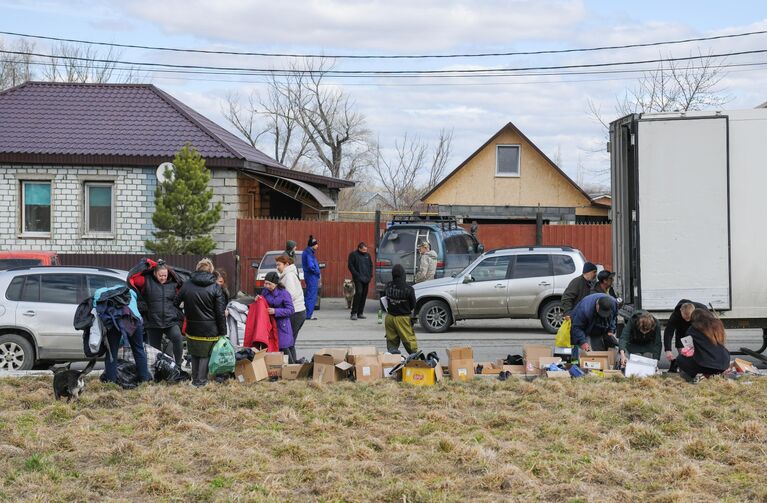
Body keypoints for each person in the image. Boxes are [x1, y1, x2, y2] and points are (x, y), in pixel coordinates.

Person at [175, 258, 227, 387]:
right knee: (205, 354)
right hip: (210, 328)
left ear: (197, 268)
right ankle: (201, 381)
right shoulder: (215, 287)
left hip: (192, 327)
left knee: (194, 354)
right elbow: (220, 312)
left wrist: (184, 314)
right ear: (211, 270)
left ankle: (195, 381)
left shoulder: (187, 285)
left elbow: (175, 303)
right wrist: (223, 331)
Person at [141, 263, 184, 366]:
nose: (163, 278)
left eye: (165, 275)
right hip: (153, 321)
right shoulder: (147, 281)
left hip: (170, 320)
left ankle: (178, 366)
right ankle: (158, 369)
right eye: (161, 275)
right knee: (155, 349)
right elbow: (132, 277)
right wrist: (150, 263)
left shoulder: (173, 283)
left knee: (177, 338)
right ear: (155, 273)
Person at [676, 308, 730, 380]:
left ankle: (690, 378)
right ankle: (713, 376)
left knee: (680, 359)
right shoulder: (718, 324)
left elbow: (690, 349)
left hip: (705, 366)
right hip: (724, 363)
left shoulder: (692, 329)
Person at [570, 293, 618, 359]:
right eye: (602, 312)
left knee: (599, 349)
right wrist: (583, 342)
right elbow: (577, 327)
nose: (603, 315)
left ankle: (600, 363)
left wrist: (611, 330)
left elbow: (613, 318)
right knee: (577, 343)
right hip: (580, 323)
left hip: (597, 326)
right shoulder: (584, 310)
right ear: (597, 305)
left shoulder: (614, 304)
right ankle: (574, 363)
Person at [261, 272, 296, 363]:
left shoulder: (284, 293)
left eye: (269, 284)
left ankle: (291, 369)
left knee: (284, 347)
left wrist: (276, 311)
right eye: (265, 283)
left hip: (282, 325)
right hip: (270, 324)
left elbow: (291, 310)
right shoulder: (265, 292)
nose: (267, 286)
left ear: (275, 284)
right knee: (272, 347)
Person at [664, 299, 708, 371]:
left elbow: (711, 326)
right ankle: (683, 372)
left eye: (689, 318)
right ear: (681, 311)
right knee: (683, 356)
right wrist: (668, 350)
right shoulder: (675, 315)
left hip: (697, 332)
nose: (687, 320)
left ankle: (696, 370)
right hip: (681, 333)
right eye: (685, 317)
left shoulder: (702, 310)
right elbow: (669, 331)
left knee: (697, 355)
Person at [383, 264, 418, 354]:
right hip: (403, 318)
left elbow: (385, 300)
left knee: (391, 342)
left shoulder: (388, 285)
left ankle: (392, 361)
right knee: (409, 342)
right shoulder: (409, 289)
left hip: (389, 318)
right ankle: (415, 362)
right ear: (403, 275)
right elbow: (413, 305)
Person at [275, 255, 306, 353]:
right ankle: (293, 365)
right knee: (290, 342)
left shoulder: (289, 276)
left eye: (279, 265)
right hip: (298, 311)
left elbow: (290, 295)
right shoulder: (288, 274)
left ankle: (291, 365)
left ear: (286, 264)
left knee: (287, 343)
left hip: (295, 312)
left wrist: (278, 304)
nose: (277, 267)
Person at [348, 241, 373, 320]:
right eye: (363, 250)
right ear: (359, 248)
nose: (365, 252)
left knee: (364, 295)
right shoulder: (353, 255)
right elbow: (350, 266)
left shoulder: (368, 256)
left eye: (366, 250)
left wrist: (370, 275)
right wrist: (356, 275)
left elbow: (371, 265)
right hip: (358, 278)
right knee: (359, 293)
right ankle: (354, 313)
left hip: (366, 278)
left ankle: (360, 312)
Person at [302, 235, 321, 320]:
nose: (317, 246)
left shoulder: (308, 252)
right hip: (311, 276)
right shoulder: (309, 253)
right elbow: (310, 266)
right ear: (312, 245)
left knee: (310, 294)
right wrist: (316, 271)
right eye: (316, 244)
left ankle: (308, 313)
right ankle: (308, 314)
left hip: (310, 276)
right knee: (311, 295)